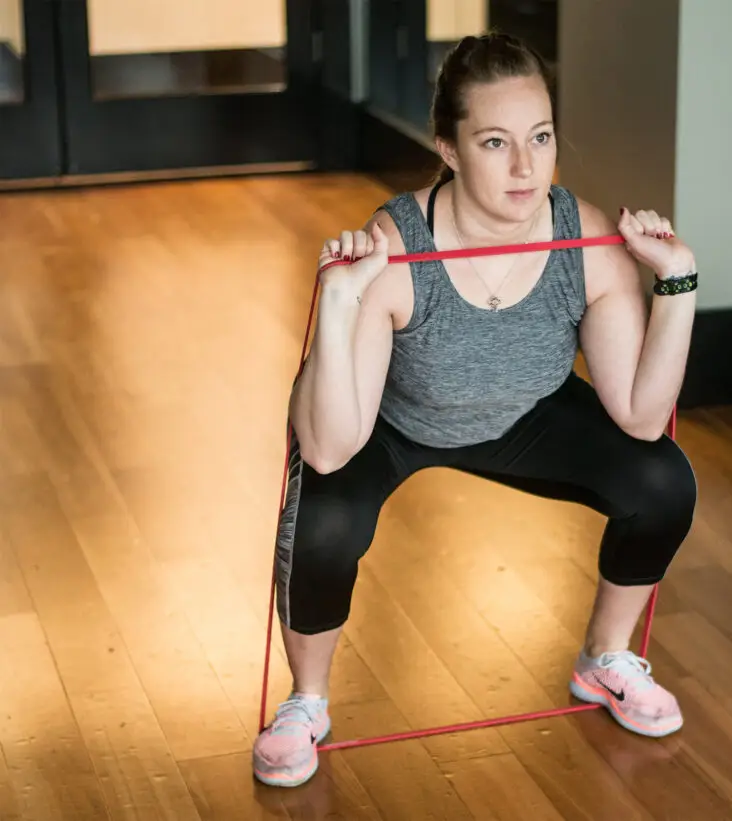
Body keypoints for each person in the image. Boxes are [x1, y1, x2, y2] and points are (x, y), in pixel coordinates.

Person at [253, 32, 700, 788]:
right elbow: (330, 447)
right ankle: (306, 702)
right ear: (449, 149)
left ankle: (605, 658)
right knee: (325, 517)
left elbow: (641, 417)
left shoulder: (588, 240)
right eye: (495, 142)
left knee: (664, 481)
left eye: (540, 137)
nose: (526, 166)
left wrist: (678, 282)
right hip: (392, 421)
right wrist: (338, 300)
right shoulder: (396, 247)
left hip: (524, 412)